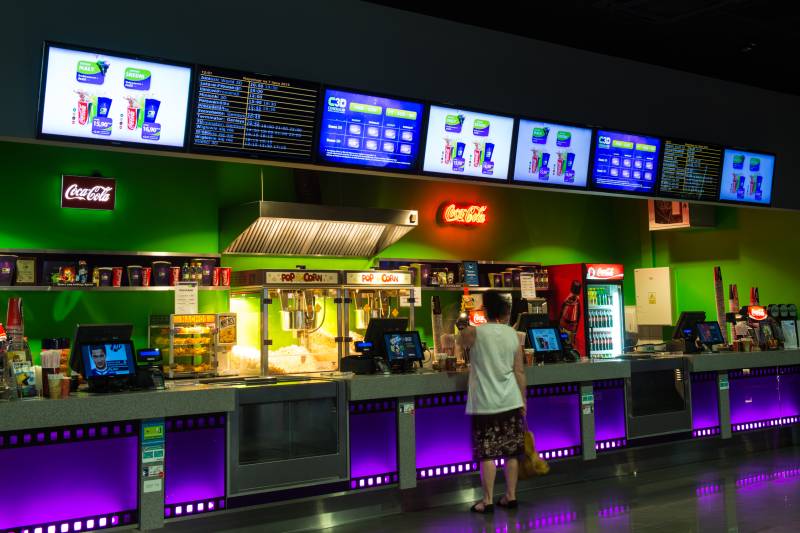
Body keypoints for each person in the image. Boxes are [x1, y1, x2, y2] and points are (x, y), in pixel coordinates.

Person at [458, 290, 527, 514]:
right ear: (505, 311)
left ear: (485, 310)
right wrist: (523, 401)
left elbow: (458, 343)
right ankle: (511, 496)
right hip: (511, 400)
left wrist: (464, 321)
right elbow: (519, 371)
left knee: (487, 453)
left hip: (485, 402)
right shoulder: (513, 334)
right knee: (511, 451)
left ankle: (487, 500)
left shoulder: (475, 332)